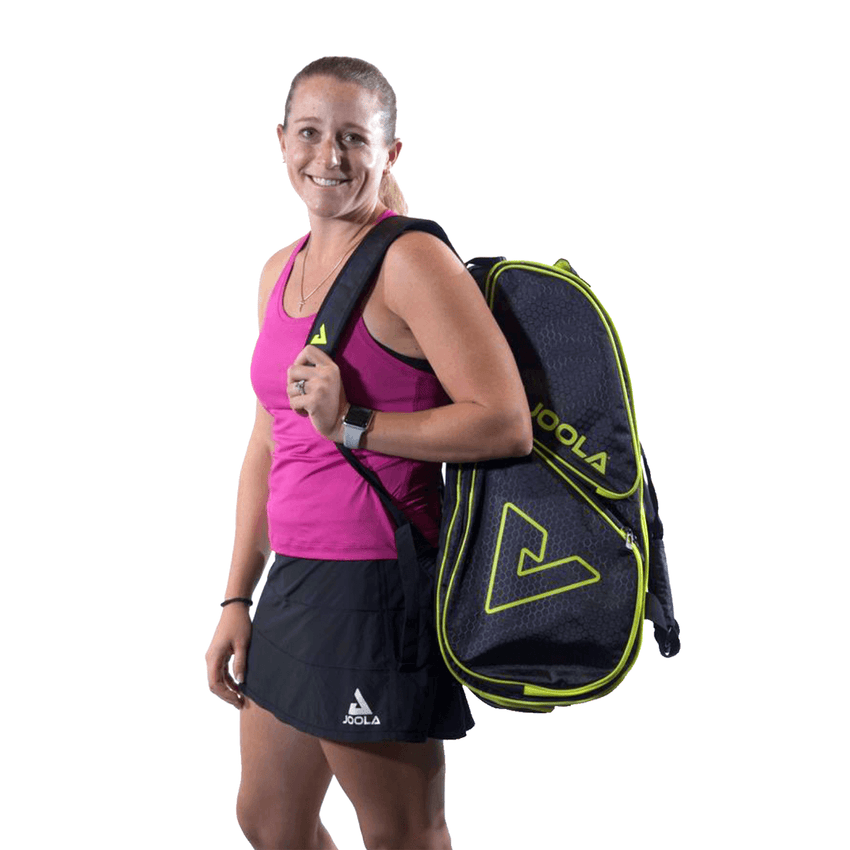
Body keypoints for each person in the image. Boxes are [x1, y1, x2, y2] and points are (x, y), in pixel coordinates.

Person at [205, 56, 532, 850]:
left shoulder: (411, 262)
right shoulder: (278, 272)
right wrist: (236, 597)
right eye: (310, 133)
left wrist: (355, 424)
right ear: (281, 140)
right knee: (269, 821)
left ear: (390, 152)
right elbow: (267, 440)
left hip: (378, 586)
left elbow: (504, 423)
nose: (329, 156)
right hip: (294, 583)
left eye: (354, 137)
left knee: (403, 834)